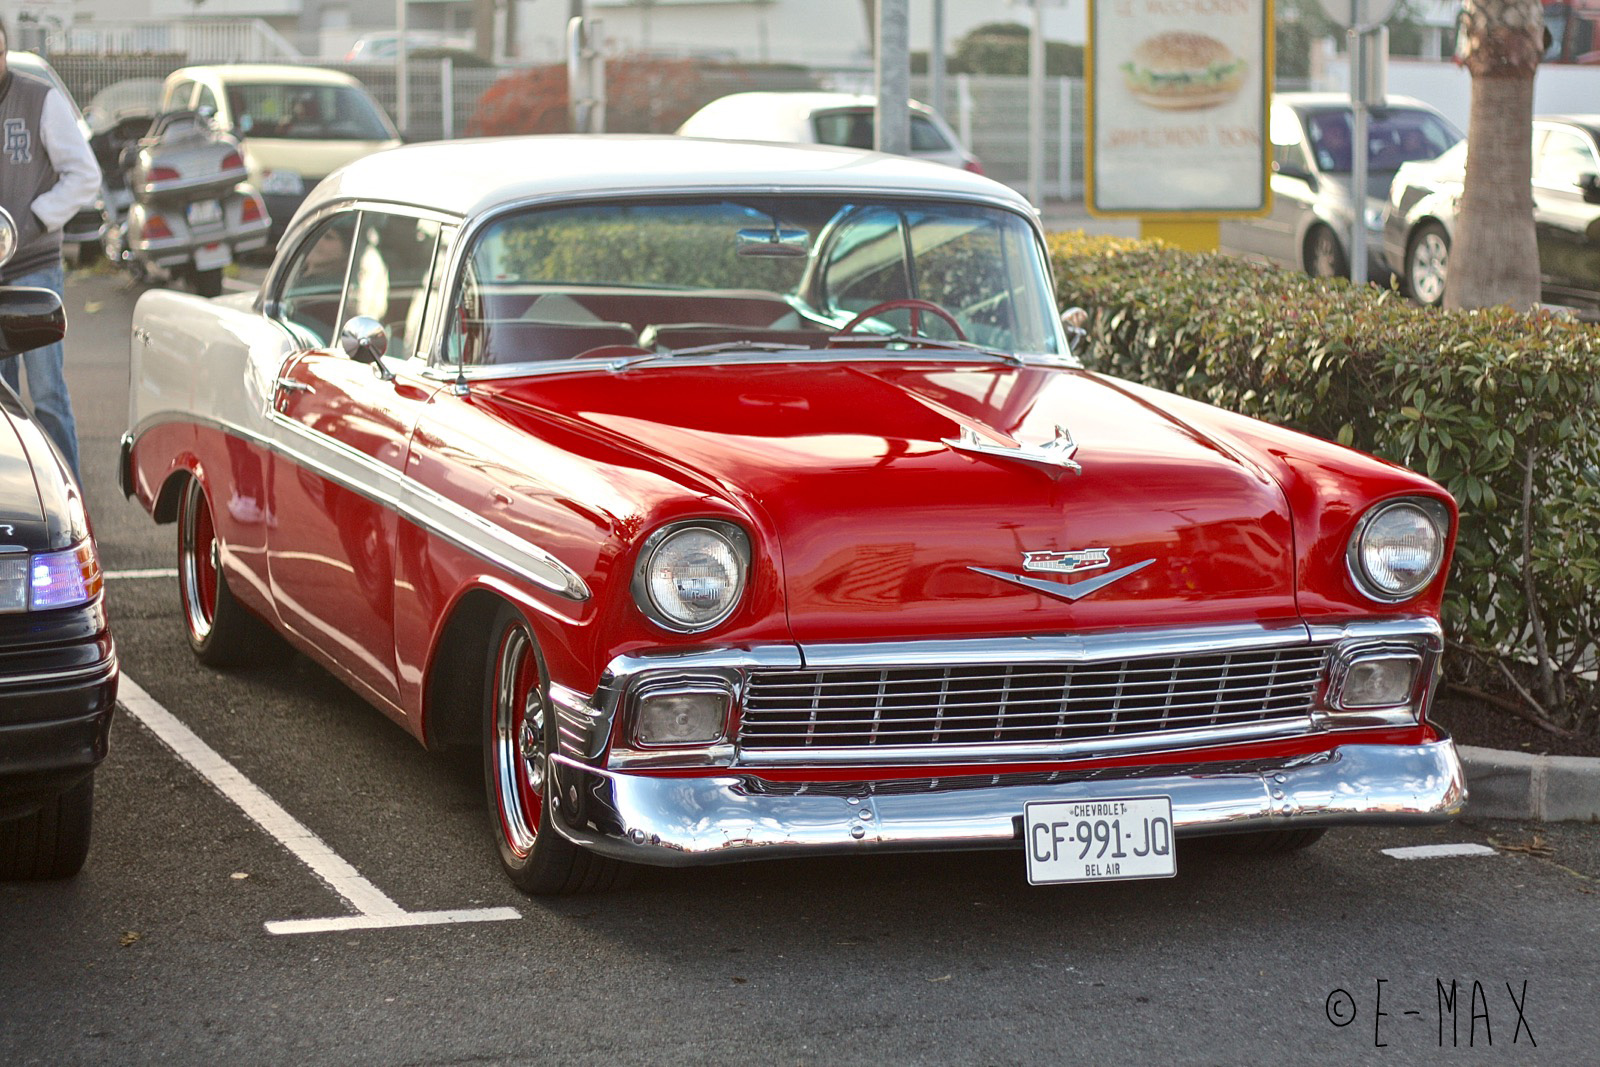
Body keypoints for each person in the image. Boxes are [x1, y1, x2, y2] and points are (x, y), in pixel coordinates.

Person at [0, 23, 101, 479]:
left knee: (47, 396)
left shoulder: (39, 99)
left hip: (33, 269)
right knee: (3, 404)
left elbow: (84, 174)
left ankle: (70, 505)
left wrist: (36, 218)